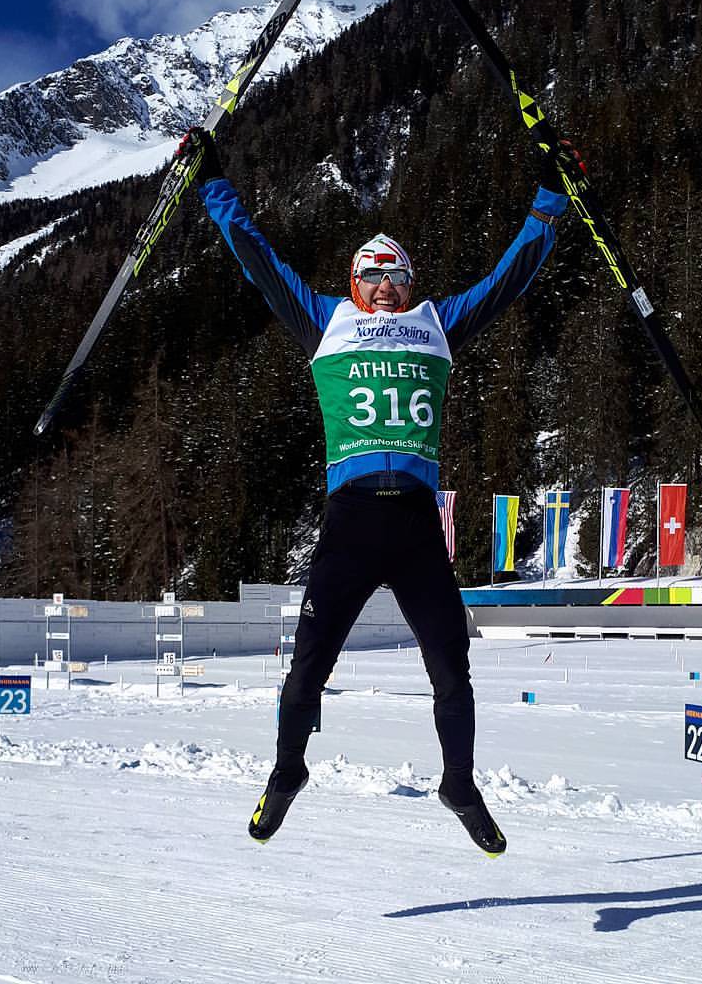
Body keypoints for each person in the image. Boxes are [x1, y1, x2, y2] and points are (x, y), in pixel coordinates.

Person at [178, 126, 568, 855]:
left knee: (452, 666)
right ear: (353, 285)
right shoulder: (327, 321)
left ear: (411, 287)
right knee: (307, 668)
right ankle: (287, 772)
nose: (385, 288)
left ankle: (459, 784)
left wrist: (551, 198)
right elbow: (258, 257)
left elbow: (511, 276)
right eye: (372, 276)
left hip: (418, 524)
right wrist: (212, 181)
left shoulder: (438, 324)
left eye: (397, 276)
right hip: (351, 521)